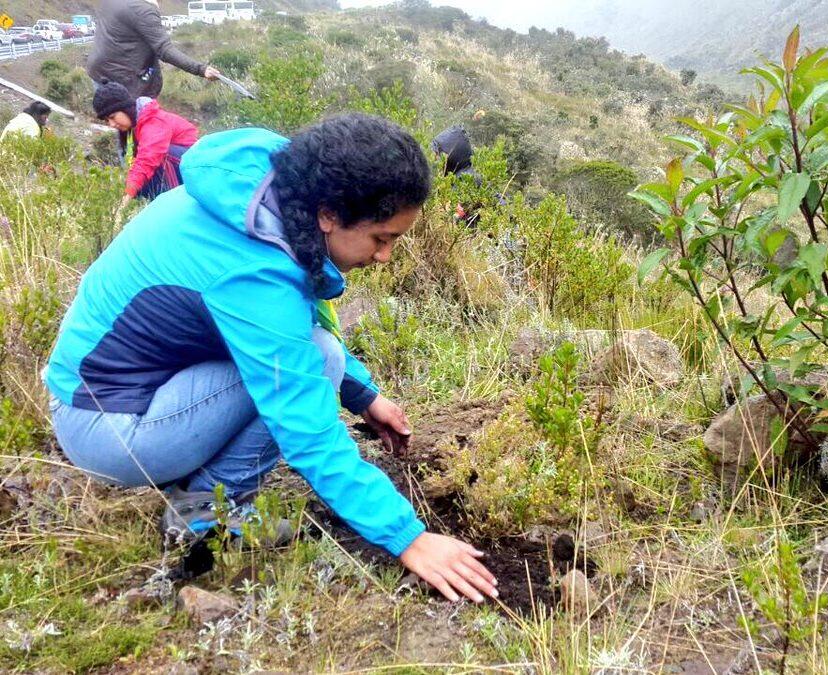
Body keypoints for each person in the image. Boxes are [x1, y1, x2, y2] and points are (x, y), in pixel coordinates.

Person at [44, 114, 499, 604]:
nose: (384, 256)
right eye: (380, 238)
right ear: (329, 214)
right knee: (319, 362)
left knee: (320, 358)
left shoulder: (262, 195)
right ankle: (206, 511)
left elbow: (287, 327)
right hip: (108, 428)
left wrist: (363, 394)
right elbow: (304, 420)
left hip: (131, 391)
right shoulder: (253, 267)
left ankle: (199, 485)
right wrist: (408, 538)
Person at [93, 81, 200, 209]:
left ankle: (176, 208)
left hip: (197, 167)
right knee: (138, 179)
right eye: (107, 120)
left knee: (159, 158)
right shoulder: (136, 124)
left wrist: (124, 201)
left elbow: (147, 159)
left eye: (113, 117)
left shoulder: (154, 121)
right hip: (182, 167)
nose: (111, 124)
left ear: (125, 108)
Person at [87, 0, 221, 100]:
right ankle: (130, 136)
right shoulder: (141, 10)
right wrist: (201, 69)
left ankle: (127, 136)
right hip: (125, 81)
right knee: (135, 127)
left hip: (99, 72)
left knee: (123, 125)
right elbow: (164, 49)